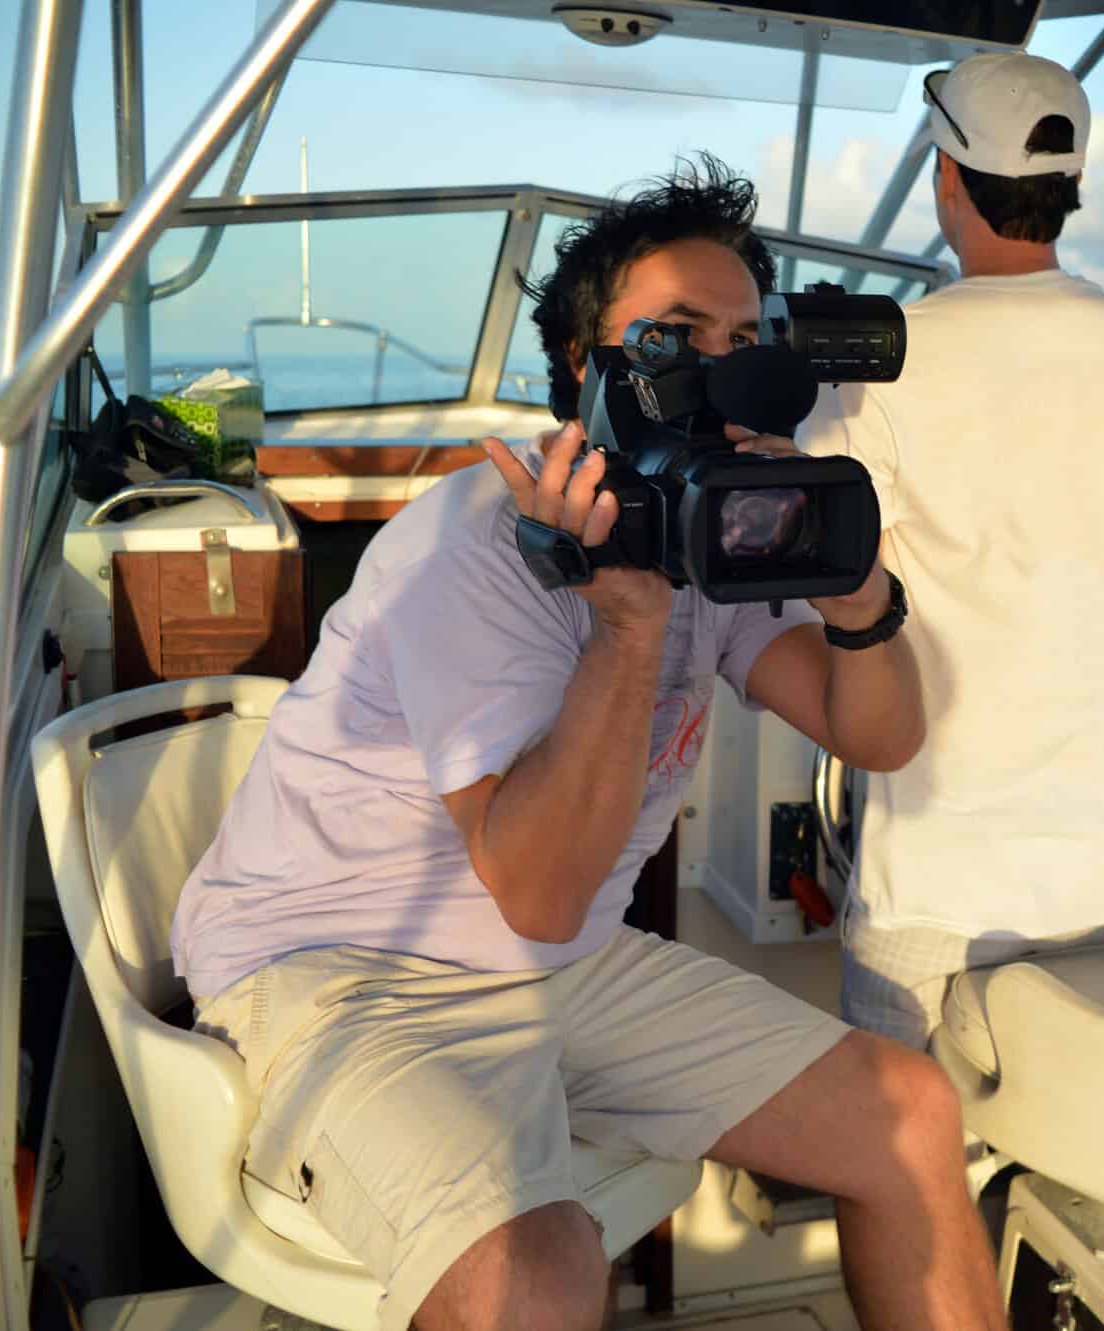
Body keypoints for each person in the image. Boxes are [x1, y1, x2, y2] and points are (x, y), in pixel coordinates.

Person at [168, 159, 1007, 1331]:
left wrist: (858, 598)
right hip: (347, 965)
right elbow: (542, 892)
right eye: (673, 338)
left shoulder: (714, 521)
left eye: (744, 336)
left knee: (907, 1112)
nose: (718, 368)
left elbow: (878, 733)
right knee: (537, 1265)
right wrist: (626, 620)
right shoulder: (470, 545)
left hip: (557, 964)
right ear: (582, 367)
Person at [793, 54, 1104, 1049]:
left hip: (941, 887)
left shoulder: (886, 363)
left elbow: (818, 556)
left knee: (896, 1169)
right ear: (1066, 188)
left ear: (947, 179)